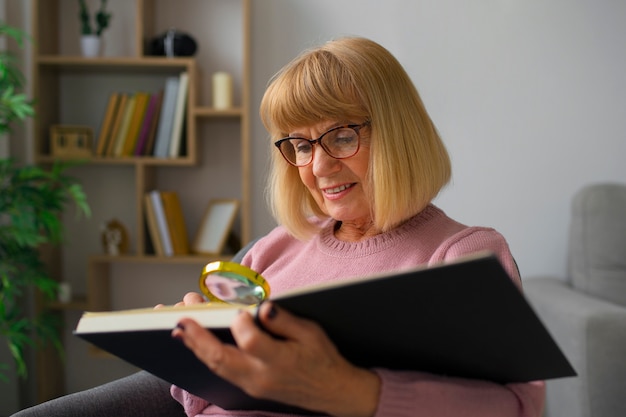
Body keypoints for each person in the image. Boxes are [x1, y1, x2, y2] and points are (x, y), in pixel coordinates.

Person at [12, 36, 545, 417]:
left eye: (340, 136)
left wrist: (352, 393)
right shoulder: (272, 251)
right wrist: (195, 359)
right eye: (299, 144)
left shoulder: (462, 254)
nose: (316, 167)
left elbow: (518, 407)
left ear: (398, 133)